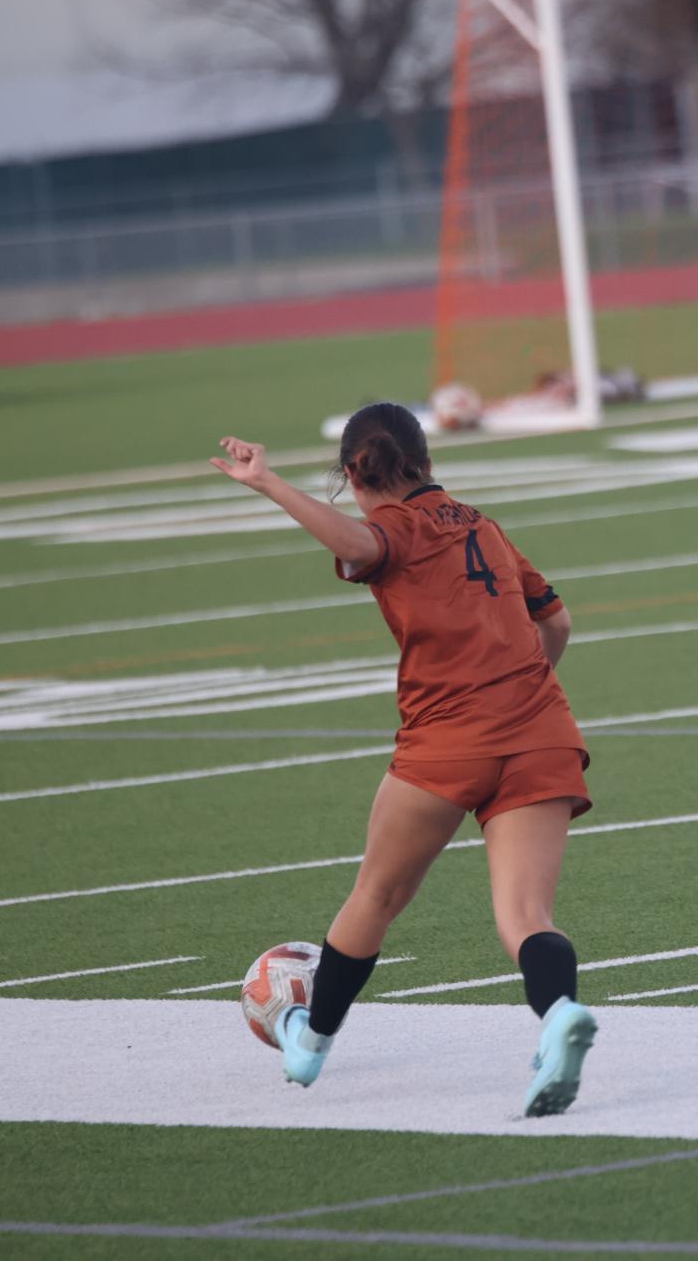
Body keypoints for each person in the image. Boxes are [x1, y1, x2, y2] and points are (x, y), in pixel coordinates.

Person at [210, 403, 597, 1114]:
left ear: (356, 472)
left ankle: (311, 1044)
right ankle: (559, 1016)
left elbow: (358, 544)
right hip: (541, 728)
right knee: (525, 915)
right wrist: (524, 690)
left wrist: (269, 483)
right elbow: (557, 621)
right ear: (426, 460)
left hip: (447, 740)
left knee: (377, 896)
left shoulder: (394, 528)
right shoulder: (483, 523)